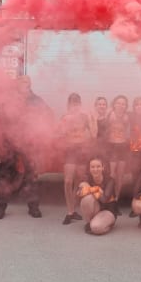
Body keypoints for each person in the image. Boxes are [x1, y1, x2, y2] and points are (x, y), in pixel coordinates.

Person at [0, 75, 53, 220]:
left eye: (28, 82)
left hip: (28, 142)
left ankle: (33, 207)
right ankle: (0, 208)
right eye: (23, 82)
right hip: (10, 141)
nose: (26, 84)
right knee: (4, 175)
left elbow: (48, 114)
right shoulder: (9, 99)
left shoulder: (36, 100)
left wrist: (39, 131)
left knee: (31, 175)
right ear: (17, 84)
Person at [58, 93, 92, 225]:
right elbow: (59, 133)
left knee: (78, 181)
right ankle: (69, 210)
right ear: (68, 105)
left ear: (80, 105)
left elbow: (94, 133)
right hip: (70, 150)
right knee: (68, 181)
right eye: (72, 104)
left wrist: (92, 119)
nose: (75, 106)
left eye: (77, 104)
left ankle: (72, 211)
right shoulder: (65, 117)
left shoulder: (84, 117)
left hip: (82, 150)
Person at [76, 156, 118, 235]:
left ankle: (108, 224)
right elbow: (79, 194)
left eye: (98, 166)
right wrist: (95, 189)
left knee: (96, 228)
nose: (95, 169)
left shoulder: (110, 180)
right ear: (89, 169)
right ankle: (90, 222)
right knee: (86, 199)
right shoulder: (87, 178)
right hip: (96, 208)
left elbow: (104, 200)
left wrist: (90, 189)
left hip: (108, 210)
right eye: (92, 167)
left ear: (103, 167)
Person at [105, 95, 130, 211]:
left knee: (120, 176)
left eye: (123, 104)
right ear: (114, 104)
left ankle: (116, 201)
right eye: (118, 103)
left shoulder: (127, 117)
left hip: (123, 147)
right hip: (112, 147)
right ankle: (109, 200)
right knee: (112, 175)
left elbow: (129, 133)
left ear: (126, 106)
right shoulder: (109, 115)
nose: (121, 105)